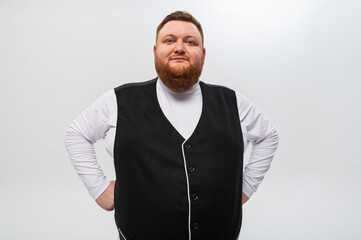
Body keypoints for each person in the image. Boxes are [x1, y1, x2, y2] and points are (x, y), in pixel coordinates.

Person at [65, 11, 279, 240]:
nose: (179, 48)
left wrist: (244, 189)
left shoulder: (233, 102)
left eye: (190, 42)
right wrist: (100, 190)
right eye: (169, 40)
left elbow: (269, 136)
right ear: (156, 51)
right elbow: (76, 133)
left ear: (203, 55)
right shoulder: (119, 100)